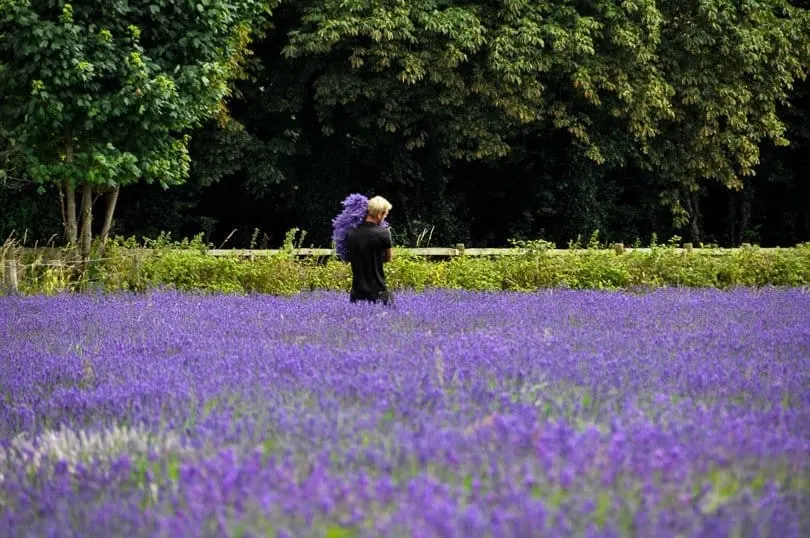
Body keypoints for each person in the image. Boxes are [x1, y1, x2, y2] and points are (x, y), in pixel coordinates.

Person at [346, 196, 394, 305]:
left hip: (356, 293)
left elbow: (349, 257)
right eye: (385, 214)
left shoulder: (350, 234)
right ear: (379, 214)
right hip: (378, 292)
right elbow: (389, 258)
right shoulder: (384, 233)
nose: (385, 217)